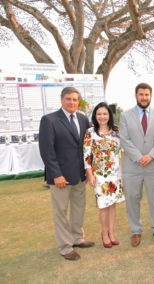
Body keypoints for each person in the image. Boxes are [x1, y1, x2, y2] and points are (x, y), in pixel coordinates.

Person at [38, 87, 94, 261]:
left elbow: (89, 143)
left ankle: (77, 238)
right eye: (68, 99)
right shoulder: (50, 120)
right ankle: (65, 247)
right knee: (61, 212)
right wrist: (56, 174)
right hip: (60, 177)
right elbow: (47, 150)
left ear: (79, 102)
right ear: (62, 100)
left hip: (79, 175)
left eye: (75, 100)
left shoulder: (83, 119)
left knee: (78, 209)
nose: (72, 102)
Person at [119, 83, 154, 247]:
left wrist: (151, 156)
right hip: (132, 167)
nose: (144, 97)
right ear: (136, 95)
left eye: (147, 94)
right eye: (141, 94)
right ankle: (135, 231)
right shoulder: (125, 115)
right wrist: (139, 157)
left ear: (151, 95)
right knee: (132, 200)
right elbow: (124, 140)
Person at [83, 102, 125, 248]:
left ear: (109, 115)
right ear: (95, 116)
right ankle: (104, 233)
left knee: (112, 203)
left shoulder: (117, 131)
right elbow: (87, 155)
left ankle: (112, 232)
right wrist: (90, 174)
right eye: (99, 114)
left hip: (116, 173)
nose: (102, 117)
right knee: (103, 205)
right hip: (99, 175)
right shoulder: (90, 132)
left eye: (105, 114)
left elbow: (124, 148)